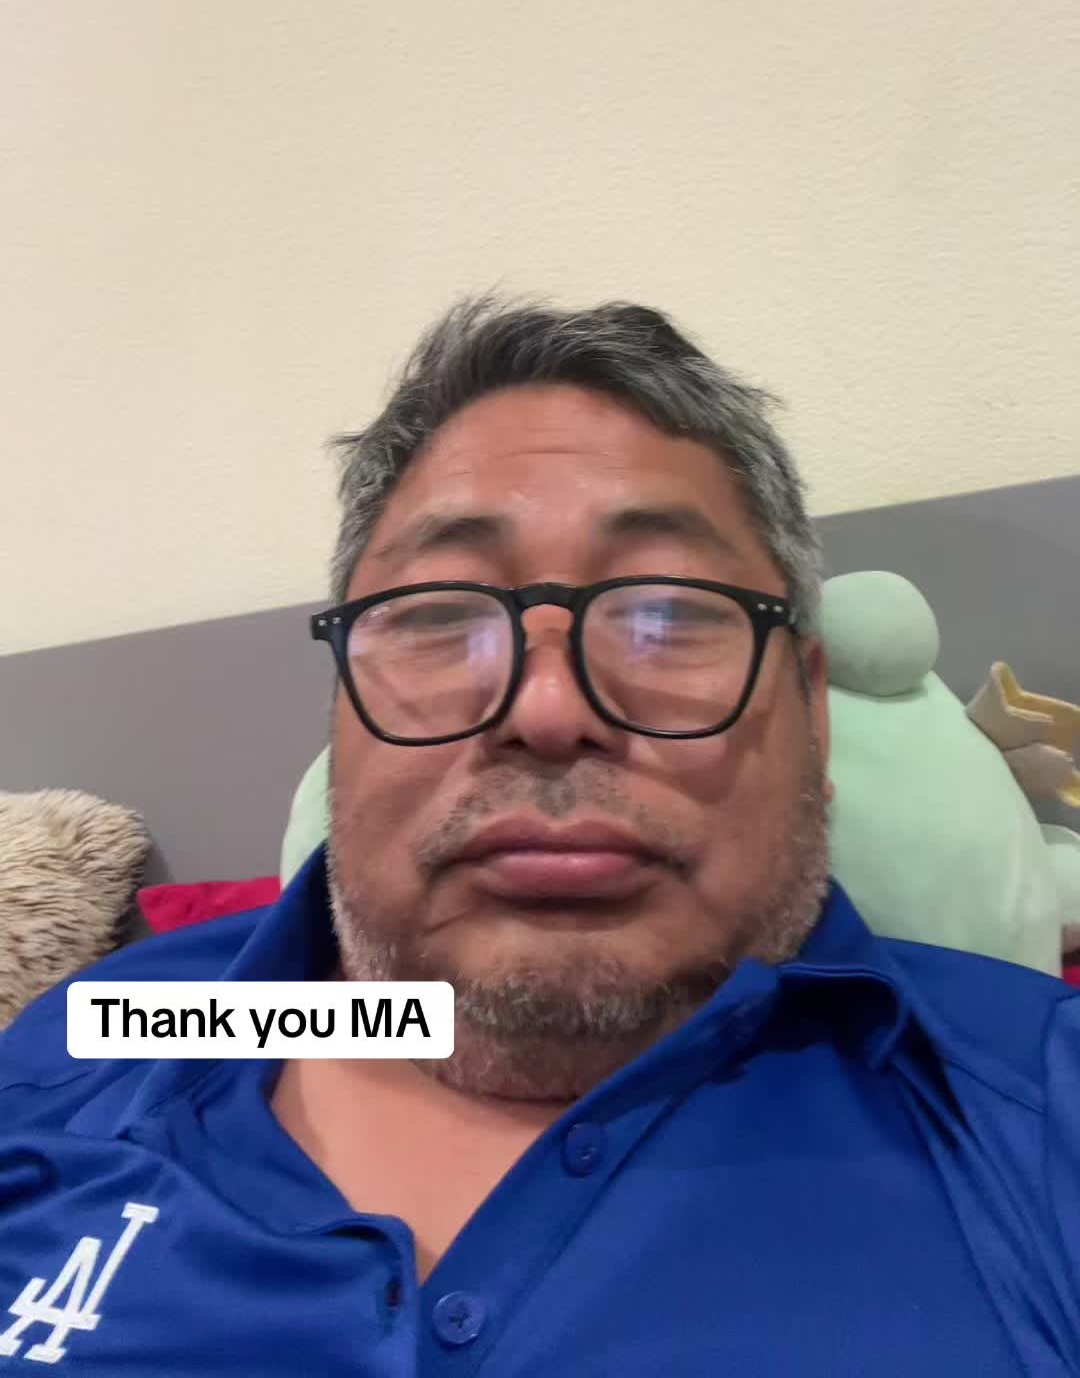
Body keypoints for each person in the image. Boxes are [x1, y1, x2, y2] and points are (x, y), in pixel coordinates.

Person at [2, 297, 1079, 1376]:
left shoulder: (1039, 1106)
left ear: (814, 713)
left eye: (668, 615)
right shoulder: (104, 1034)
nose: (550, 709)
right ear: (339, 704)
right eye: (438, 615)